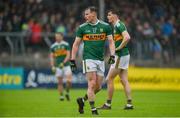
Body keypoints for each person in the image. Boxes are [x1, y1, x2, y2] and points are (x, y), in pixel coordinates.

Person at [70, 6, 115, 115]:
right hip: (88, 59)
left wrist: (112, 55)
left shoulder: (105, 26)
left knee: (98, 87)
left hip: (100, 60)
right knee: (91, 83)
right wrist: (72, 59)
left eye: (87, 14)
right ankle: (93, 109)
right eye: (85, 14)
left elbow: (111, 42)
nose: (85, 16)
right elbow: (76, 44)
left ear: (93, 14)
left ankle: (82, 100)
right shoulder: (82, 28)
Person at [98, 9, 133, 110]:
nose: (108, 17)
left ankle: (108, 104)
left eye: (109, 15)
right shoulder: (117, 26)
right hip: (125, 55)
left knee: (109, 79)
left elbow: (127, 37)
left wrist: (118, 48)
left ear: (115, 15)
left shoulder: (118, 25)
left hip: (120, 55)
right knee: (124, 80)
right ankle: (129, 104)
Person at [50, 32, 72, 101]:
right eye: (56, 36)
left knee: (69, 81)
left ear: (62, 37)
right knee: (60, 82)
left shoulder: (66, 44)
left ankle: (67, 92)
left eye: (58, 36)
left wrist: (63, 62)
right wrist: (52, 66)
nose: (57, 37)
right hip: (57, 67)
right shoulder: (53, 46)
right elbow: (51, 57)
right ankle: (61, 96)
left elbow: (68, 55)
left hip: (67, 65)